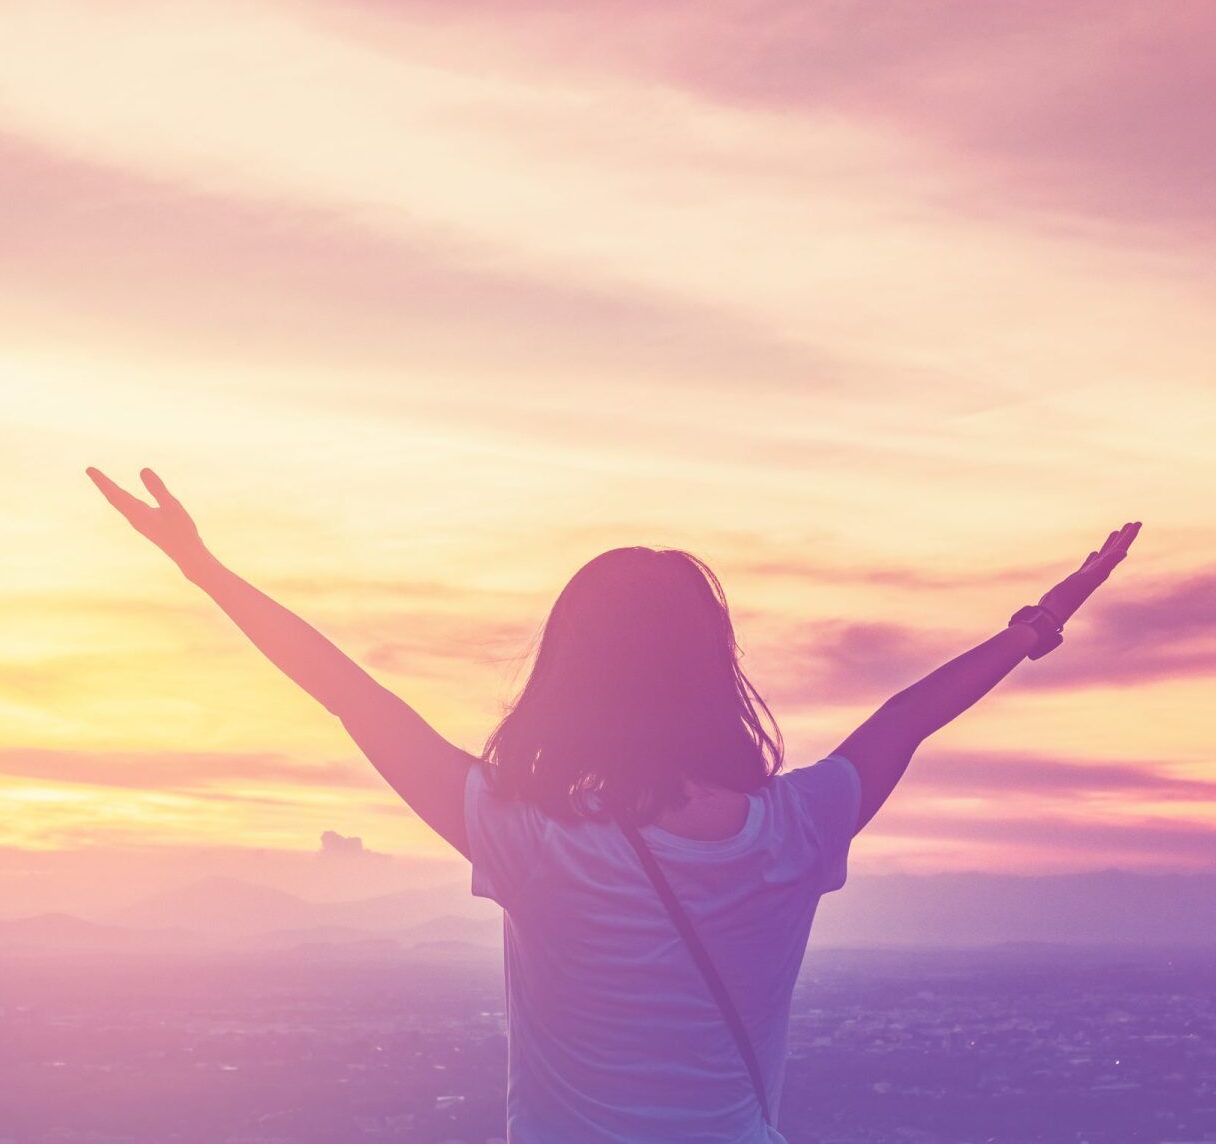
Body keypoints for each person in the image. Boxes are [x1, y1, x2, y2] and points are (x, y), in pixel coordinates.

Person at [87, 466, 1141, 1143]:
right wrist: (1032, 626)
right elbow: (906, 718)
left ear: (573, 671)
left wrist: (205, 569)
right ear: (711, 665)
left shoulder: (529, 837)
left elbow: (353, 695)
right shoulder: (795, 828)